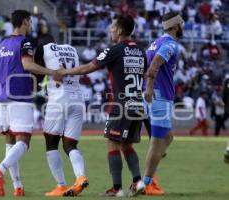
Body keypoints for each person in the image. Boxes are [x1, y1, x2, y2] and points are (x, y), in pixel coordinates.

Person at [55, 15, 146, 197]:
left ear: (120, 30)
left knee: (113, 143)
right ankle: (138, 181)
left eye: (113, 27)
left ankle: (117, 188)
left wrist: (64, 72)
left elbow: (88, 67)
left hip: (121, 104)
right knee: (126, 144)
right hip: (137, 102)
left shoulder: (115, 49)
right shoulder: (141, 51)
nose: (111, 30)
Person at [0, 10, 56, 197]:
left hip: (2, 95)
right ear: (25, 22)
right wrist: (51, 72)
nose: (31, 25)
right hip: (19, 94)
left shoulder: (2, 44)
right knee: (24, 141)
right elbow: (27, 65)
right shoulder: (25, 42)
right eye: (30, 21)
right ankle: (0, 170)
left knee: (10, 139)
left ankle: (18, 186)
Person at [136, 12, 185, 195]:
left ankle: (151, 165)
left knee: (168, 137)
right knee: (157, 142)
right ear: (175, 26)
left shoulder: (155, 42)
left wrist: (147, 88)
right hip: (159, 96)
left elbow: (147, 66)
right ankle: (145, 183)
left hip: (152, 94)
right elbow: (154, 65)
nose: (183, 27)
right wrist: (149, 88)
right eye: (182, 24)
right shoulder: (170, 44)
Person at [34, 34, 89, 197]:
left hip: (59, 99)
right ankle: (80, 177)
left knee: (51, 142)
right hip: (78, 99)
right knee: (70, 144)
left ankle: (60, 185)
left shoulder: (42, 49)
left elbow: (37, 72)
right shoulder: (71, 49)